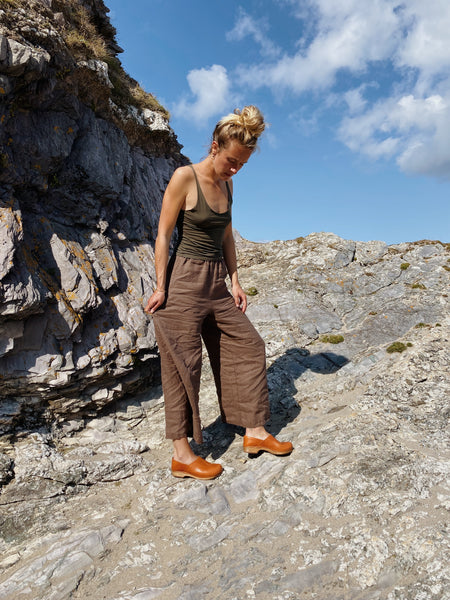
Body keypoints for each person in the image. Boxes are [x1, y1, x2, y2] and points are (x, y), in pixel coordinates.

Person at [144, 105, 293, 480]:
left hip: (216, 284)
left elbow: (226, 233)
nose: (234, 169)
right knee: (183, 363)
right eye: (231, 160)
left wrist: (236, 280)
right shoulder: (185, 177)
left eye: (241, 164)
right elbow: (163, 234)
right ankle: (182, 453)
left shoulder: (228, 184)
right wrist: (161, 285)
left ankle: (254, 431)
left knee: (247, 344)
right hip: (184, 281)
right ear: (215, 146)